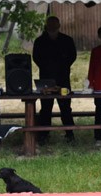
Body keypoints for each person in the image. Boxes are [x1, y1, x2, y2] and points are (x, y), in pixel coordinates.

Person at [32, 16, 77, 144]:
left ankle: (70, 133)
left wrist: (63, 66)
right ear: (47, 26)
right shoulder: (40, 41)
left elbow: (72, 56)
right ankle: (44, 135)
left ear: (59, 26)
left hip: (63, 78)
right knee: (46, 107)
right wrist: (47, 67)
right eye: (50, 25)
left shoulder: (67, 40)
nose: (52, 27)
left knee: (66, 107)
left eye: (55, 25)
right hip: (46, 78)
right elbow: (36, 57)